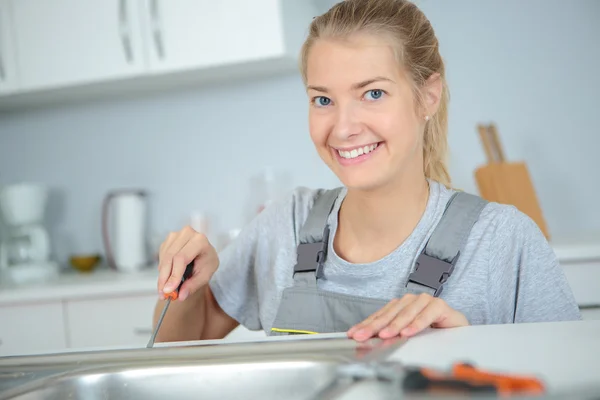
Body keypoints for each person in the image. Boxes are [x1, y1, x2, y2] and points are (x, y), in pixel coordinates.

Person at [152, 0, 581, 344]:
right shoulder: (286, 225)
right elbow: (184, 347)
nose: (342, 127)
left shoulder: (503, 242)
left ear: (428, 96)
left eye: (373, 93)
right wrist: (189, 284)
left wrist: (465, 348)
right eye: (323, 100)